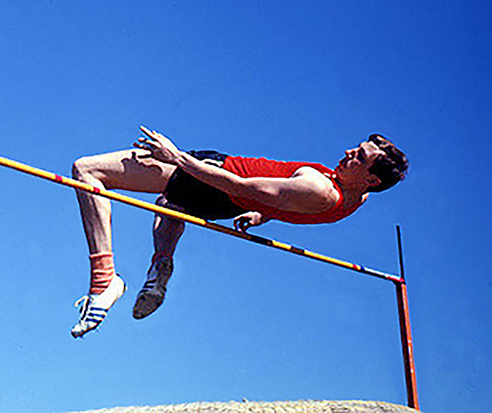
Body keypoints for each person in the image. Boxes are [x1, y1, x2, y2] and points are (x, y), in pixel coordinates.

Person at [69, 128, 409, 338]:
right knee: (170, 204)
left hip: (216, 178)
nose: (349, 152)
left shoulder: (320, 189)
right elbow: (288, 203)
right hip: (221, 192)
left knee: (87, 170)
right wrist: (263, 214)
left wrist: (177, 157)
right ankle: (160, 267)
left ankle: (104, 281)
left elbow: (241, 184)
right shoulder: (356, 198)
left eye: (359, 157)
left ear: (372, 178)